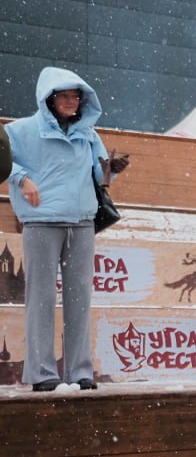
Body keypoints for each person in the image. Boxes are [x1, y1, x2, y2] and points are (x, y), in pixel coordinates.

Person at [6, 67, 129, 391]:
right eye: (65, 96)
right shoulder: (20, 130)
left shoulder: (88, 133)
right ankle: (42, 373)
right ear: (50, 99)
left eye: (76, 96)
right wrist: (22, 178)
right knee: (40, 299)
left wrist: (112, 170)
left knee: (80, 300)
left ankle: (79, 371)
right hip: (41, 222)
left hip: (82, 222)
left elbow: (100, 177)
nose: (72, 101)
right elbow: (4, 162)